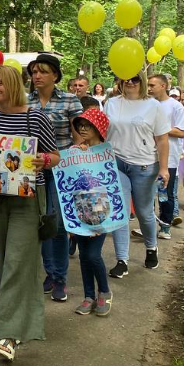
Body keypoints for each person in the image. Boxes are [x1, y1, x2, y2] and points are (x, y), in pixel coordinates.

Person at [0, 64, 59, 361]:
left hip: (26, 200)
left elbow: (56, 156)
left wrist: (44, 160)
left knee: (17, 262)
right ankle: (2, 319)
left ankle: (9, 335)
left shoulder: (34, 116)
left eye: (0, 83)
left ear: (12, 84)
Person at [27, 53, 82, 303]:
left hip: (62, 169)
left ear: (55, 75)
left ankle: (59, 278)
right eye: (34, 71)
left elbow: (80, 133)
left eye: (43, 71)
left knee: (58, 226)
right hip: (31, 171)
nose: (37, 75)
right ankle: (48, 274)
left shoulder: (70, 100)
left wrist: (80, 149)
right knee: (41, 225)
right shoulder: (24, 100)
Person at [104, 71, 170, 277]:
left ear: (141, 81)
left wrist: (164, 168)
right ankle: (121, 259)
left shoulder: (154, 106)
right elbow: (102, 132)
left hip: (144, 165)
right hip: (116, 162)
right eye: (126, 79)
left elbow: (162, 139)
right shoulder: (111, 103)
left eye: (134, 79)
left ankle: (151, 248)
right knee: (119, 213)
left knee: (143, 212)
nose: (130, 83)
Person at [69, 108, 114, 318]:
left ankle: (104, 291)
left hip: (101, 214)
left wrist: (105, 221)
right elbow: (67, 187)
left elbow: (113, 187)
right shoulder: (74, 152)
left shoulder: (107, 153)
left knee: (92, 254)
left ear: (99, 128)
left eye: (88, 125)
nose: (83, 129)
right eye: (81, 126)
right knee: (84, 256)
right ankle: (89, 296)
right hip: (80, 212)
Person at [148, 73, 184, 239]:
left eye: (152, 86)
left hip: (168, 157)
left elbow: (181, 132)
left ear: (163, 86)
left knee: (165, 193)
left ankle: (165, 227)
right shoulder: (146, 104)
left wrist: (160, 127)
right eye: (148, 85)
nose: (149, 89)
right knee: (147, 194)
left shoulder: (175, 106)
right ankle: (148, 226)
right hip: (147, 156)